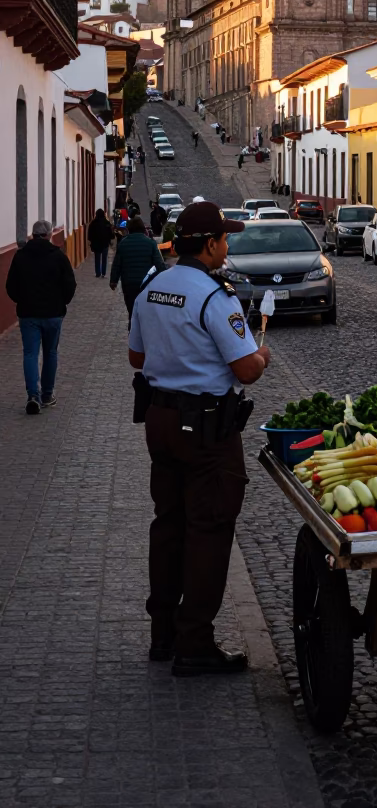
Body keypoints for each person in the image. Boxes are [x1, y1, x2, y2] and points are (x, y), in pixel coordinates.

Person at [128, 201, 270, 675]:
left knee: (167, 525)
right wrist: (262, 355)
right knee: (208, 530)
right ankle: (195, 643)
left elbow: (135, 356)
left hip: (159, 422)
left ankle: (162, 635)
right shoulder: (215, 296)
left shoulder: (153, 286)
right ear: (209, 245)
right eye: (224, 240)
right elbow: (246, 370)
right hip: (207, 431)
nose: (227, 247)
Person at [5, 219, 77, 414]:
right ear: (49, 234)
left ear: (32, 235)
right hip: (53, 314)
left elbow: (10, 286)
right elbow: (70, 284)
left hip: (28, 314)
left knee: (30, 354)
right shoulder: (58, 256)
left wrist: (22, 300)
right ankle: (47, 394)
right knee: (50, 353)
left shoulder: (20, 256)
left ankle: (32, 396)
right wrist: (62, 303)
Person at [110, 217, 166, 328]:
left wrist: (113, 280)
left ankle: (132, 333)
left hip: (128, 284)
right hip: (146, 284)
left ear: (129, 229)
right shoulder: (150, 243)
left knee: (132, 311)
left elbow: (117, 264)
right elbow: (159, 264)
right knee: (145, 310)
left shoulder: (123, 244)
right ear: (143, 229)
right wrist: (165, 279)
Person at [88, 208, 114, 278]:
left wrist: (91, 241)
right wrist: (110, 239)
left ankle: (98, 272)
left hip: (96, 244)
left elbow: (90, 235)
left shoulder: (93, 224)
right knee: (104, 259)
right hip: (105, 243)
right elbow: (111, 234)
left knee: (97, 258)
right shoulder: (107, 223)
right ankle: (103, 272)